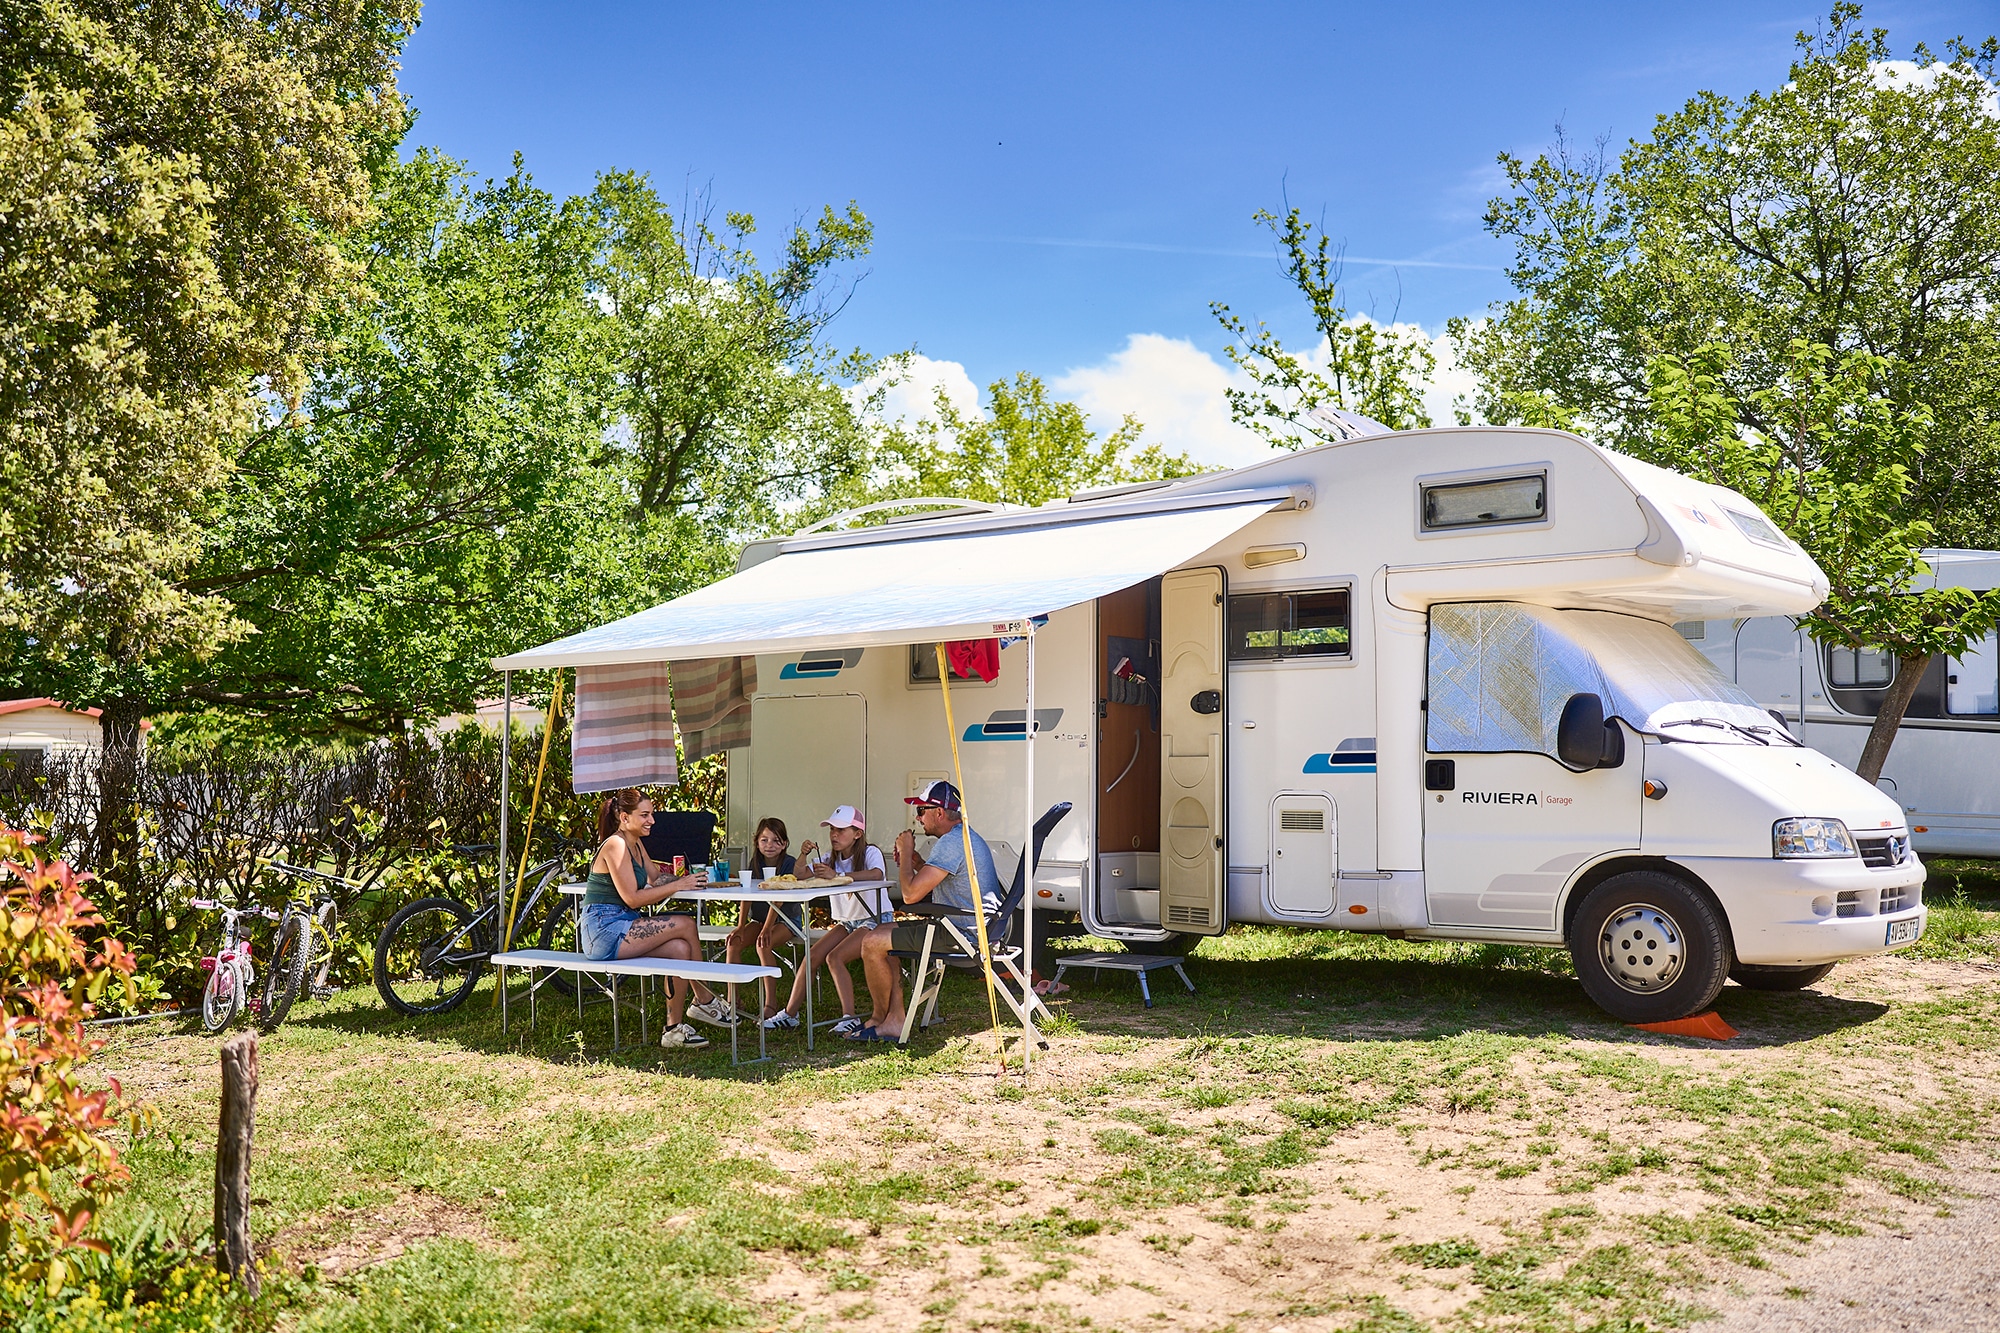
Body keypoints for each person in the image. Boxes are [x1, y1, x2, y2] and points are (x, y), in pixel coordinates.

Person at [578, 789, 737, 1048]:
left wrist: (690, 882)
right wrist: (679, 885)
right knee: (686, 924)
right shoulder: (615, 844)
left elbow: (655, 879)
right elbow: (632, 898)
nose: (652, 820)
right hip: (603, 930)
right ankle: (704, 1000)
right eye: (645, 815)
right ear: (624, 817)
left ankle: (673, 1030)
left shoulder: (635, 842)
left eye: (651, 814)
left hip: (624, 924)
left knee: (680, 948)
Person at [856, 780, 999, 1041]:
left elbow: (910, 895)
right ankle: (894, 1017)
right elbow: (938, 879)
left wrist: (906, 850)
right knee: (879, 934)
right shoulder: (962, 837)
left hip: (960, 934)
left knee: (871, 942)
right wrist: (917, 862)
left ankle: (883, 1019)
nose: (918, 818)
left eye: (921, 811)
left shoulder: (951, 843)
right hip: (972, 927)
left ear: (940, 813)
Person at [762, 805, 889, 1035]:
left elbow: (877, 874)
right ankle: (790, 1014)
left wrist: (838, 876)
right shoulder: (830, 857)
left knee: (834, 957)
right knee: (812, 956)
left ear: (857, 833)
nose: (834, 835)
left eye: (841, 830)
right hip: (848, 922)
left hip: (874, 918)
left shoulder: (871, 852)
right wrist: (803, 854)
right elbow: (800, 874)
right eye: (832, 829)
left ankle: (849, 1016)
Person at [724, 816, 798, 1020]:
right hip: (759, 920)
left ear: (784, 844)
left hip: (786, 920)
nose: (769, 845)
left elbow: (779, 900)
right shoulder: (754, 862)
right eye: (764, 840)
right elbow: (746, 895)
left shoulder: (788, 863)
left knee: (762, 945)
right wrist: (740, 926)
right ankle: (733, 1001)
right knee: (733, 943)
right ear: (757, 841)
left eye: (776, 841)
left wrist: (766, 929)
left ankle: (771, 1004)